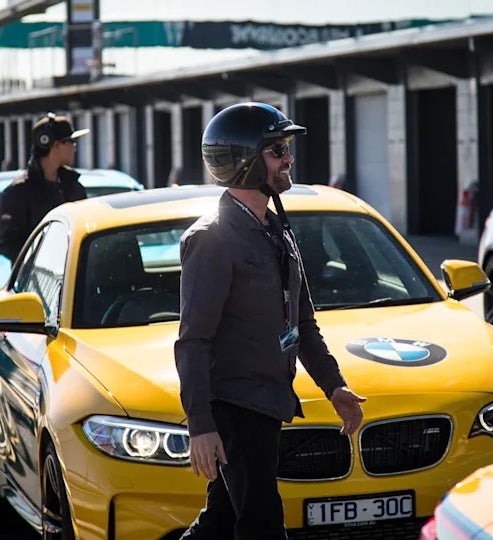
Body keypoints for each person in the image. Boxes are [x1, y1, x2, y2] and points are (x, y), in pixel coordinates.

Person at [174, 102, 366, 540]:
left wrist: (333, 386)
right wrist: (201, 426)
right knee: (261, 525)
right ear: (246, 162)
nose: (289, 158)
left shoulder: (276, 230)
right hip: (235, 410)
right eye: (278, 149)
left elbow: (303, 323)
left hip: (267, 403)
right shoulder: (212, 240)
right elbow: (193, 341)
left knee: (221, 523)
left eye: (286, 148)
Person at [0, 113, 89, 263]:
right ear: (55, 145)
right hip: (37, 282)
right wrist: (38, 261)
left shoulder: (73, 187)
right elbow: (7, 242)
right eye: (71, 142)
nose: (74, 147)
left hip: (72, 276)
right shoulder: (18, 193)